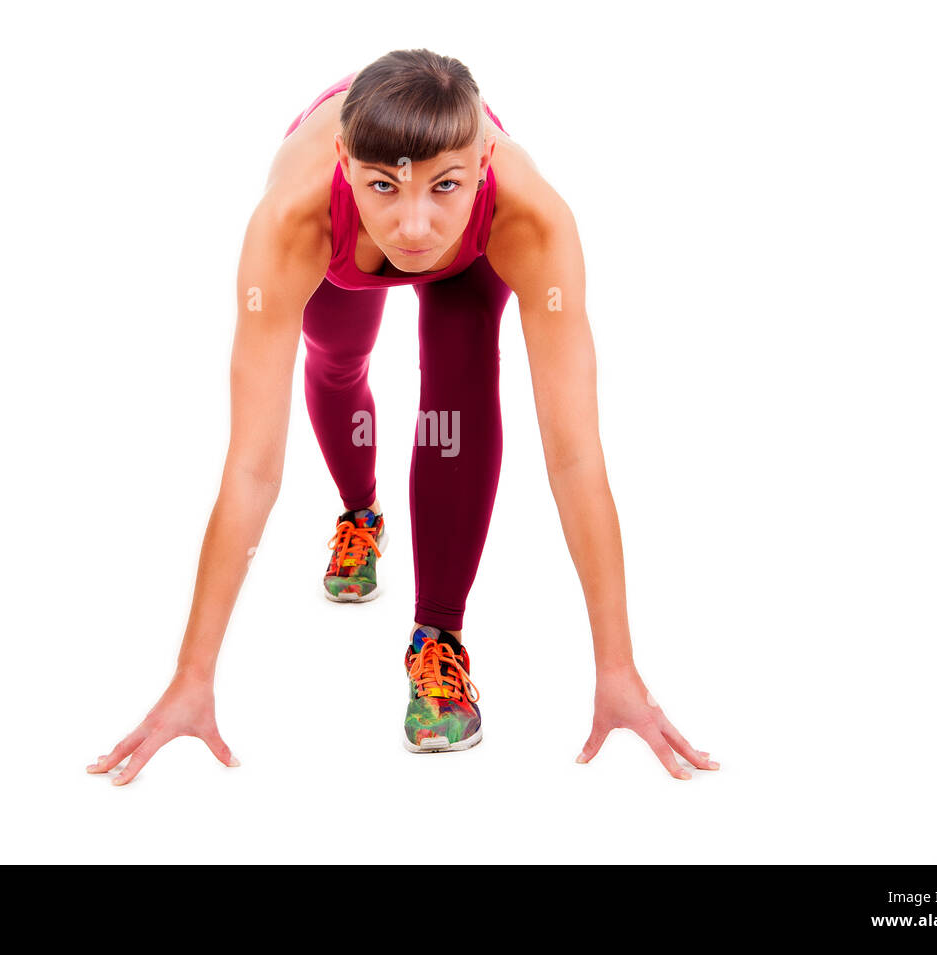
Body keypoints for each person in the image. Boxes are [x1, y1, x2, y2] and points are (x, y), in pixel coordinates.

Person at [87, 48, 719, 782]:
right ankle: (361, 513)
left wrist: (619, 667)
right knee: (336, 360)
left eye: (444, 187)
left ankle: (437, 636)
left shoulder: (531, 219)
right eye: (385, 187)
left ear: (484, 160)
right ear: (345, 160)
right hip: (336, 241)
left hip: (472, 250)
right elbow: (254, 464)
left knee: (455, 389)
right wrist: (192, 674)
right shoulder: (292, 222)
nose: (415, 226)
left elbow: (575, 454)